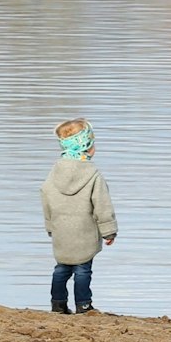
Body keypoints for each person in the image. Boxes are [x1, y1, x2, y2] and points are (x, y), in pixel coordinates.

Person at [41, 118, 117, 315]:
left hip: (61, 230)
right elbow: (102, 204)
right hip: (84, 231)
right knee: (83, 270)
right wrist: (109, 231)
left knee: (61, 269)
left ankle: (58, 304)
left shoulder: (54, 172)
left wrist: (50, 225)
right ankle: (83, 305)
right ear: (87, 146)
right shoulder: (93, 174)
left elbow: (46, 196)